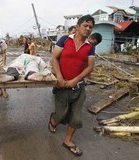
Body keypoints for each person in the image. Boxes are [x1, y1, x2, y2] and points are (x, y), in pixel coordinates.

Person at [48, 15, 95, 156]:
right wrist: (60, 77)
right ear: (78, 26)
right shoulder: (64, 40)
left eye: (90, 27)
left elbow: (90, 67)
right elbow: (55, 58)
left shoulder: (90, 46)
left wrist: (76, 80)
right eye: (85, 25)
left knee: (76, 118)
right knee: (61, 114)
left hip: (78, 87)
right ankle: (53, 120)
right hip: (62, 85)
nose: (88, 29)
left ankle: (68, 140)